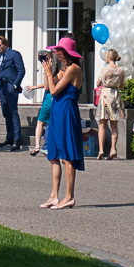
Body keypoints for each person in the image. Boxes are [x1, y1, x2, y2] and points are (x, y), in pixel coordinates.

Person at [41, 37, 86, 209]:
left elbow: (53, 90)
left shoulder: (74, 69)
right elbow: (47, 87)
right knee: (53, 154)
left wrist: (48, 74)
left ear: (67, 53)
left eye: (59, 51)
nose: (56, 53)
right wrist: (48, 69)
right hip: (57, 111)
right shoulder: (64, 69)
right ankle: (54, 195)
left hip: (67, 111)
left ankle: (69, 196)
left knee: (67, 155)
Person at [0, 34, 26, 149]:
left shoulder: (14, 54)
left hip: (11, 86)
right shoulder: (0, 56)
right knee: (6, 112)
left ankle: (17, 139)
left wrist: (16, 84)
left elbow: (21, 70)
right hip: (2, 86)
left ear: (5, 44)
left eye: (0, 45)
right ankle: (10, 137)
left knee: (13, 112)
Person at [96, 48, 126, 160]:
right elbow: (122, 86)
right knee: (114, 125)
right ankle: (113, 148)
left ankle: (101, 149)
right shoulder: (121, 71)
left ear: (108, 58)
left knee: (102, 124)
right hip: (115, 95)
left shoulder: (105, 70)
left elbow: (98, 83)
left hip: (105, 94)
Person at [26, 49, 53, 156]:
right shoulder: (58, 69)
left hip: (49, 97)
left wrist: (45, 70)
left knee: (40, 122)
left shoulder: (49, 69)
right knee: (50, 123)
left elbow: (47, 86)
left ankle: (38, 146)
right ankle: (46, 146)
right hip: (53, 97)